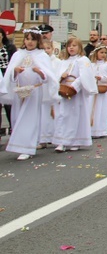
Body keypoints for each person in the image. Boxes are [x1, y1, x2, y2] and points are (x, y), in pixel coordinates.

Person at [0, 29, 58, 160]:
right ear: (24, 40)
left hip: (34, 91)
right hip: (19, 92)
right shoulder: (17, 55)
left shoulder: (42, 55)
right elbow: (10, 76)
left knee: (29, 119)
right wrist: (15, 71)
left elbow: (47, 77)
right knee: (17, 118)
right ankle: (19, 145)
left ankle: (28, 148)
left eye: (33, 39)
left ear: (38, 41)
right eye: (27, 39)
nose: (30, 42)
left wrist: (39, 72)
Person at [53, 36, 97, 153]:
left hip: (76, 93)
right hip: (64, 91)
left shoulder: (83, 60)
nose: (71, 48)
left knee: (75, 116)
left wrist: (75, 86)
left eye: (74, 46)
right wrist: (61, 77)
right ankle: (62, 141)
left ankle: (75, 141)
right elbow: (56, 76)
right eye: (69, 46)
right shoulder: (63, 62)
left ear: (79, 47)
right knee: (62, 115)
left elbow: (85, 76)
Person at [39, 39, 62, 147]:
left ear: (52, 49)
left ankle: (55, 138)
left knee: (54, 114)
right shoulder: (39, 61)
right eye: (44, 49)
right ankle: (43, 138)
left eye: (48, 48)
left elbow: (58, 75)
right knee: (43, 116)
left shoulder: (57, 62)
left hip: (53, 91)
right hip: (42, 91)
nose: (46, 51)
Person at [89, 46, 107, 138]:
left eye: (105, 53)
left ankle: (101, 130)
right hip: (93, 90)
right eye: (101, 52)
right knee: (93, 110)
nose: (103, 55)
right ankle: (92, 129)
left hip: (103, 90)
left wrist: (103, 78)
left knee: (102, 110)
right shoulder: (91, 65)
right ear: (96, 53)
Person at [0, 28, 18, 139]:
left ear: (3, 36)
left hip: (7, 74)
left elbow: (14, 61)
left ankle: (13, 129)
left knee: (9, 105)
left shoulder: (10, 47)